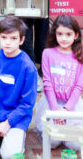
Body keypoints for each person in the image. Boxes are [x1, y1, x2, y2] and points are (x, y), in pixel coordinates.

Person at [0, 16, 37, 158]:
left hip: (17, 118)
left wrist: (8, 123)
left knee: (9, 155)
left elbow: (27, 104)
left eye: (13, 38)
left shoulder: (28, 67)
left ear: (21, 40)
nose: (8, 42)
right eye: (4, 37)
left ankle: (16, 138)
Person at [35, 15, 83, 151]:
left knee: (75, 145)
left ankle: (67, 130)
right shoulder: (47, 53)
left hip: (72, 105)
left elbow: (79, 86)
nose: (64, 38)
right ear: (54, 34)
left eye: (68, 34)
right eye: (60, 34)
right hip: (52, 103)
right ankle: (51, 131)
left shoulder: (80, 54)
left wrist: (66, 110)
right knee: (52, 142)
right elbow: (47, 83)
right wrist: (56, 110)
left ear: (76, 35)